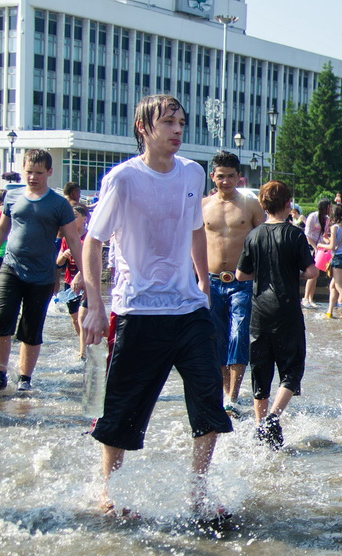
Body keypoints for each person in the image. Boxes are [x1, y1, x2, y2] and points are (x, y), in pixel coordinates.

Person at [81, 94, 233, 523]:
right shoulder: (124, 179)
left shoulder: (192, 172)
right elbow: (93, 242)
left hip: (188, 310)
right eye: (168, 122)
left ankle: (198, 492)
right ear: (144, 128)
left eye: (181, 122)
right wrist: (95, 303)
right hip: (138, 311)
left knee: (209, 399)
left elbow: (195, 228)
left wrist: (203, 281)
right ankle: (110, 491)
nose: (178, 130)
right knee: (124, 407)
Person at [0, 149, 85, 396]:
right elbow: (2, 230)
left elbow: (73, 239)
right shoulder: (12, 197)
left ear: (49, 172)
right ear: (23, 170)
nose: (33, 177)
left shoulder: (59, 204)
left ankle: (25, 378)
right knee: (2, 316)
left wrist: (85, 273)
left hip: (43, 274)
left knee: (31, 325)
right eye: (29, 172)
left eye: (39, 172)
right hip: (12, 266)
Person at [235, 180, 318, 449]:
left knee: (260, 370)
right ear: (288, 205)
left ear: (262, 205)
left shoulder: (253, 235)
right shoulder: (295, 235)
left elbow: (240, 275)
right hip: (287, 310)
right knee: (292, 368)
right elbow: (311, 272)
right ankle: (273, 417)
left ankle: (261, 430)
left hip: (259, 311)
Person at [201, 150, 265, 417]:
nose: (225, 181)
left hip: (242, 282)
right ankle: (224, 390)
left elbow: (264, 240)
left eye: (230, 176)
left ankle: (233, 396)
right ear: (213, 177)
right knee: (216, 337)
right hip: (212, 281)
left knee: (238, 335)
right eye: (220, 176)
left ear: (239, 177)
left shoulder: (250, 205)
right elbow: (191, 243)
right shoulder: (203, 205)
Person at [56, 202, 88, 359]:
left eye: (75, 217)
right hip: (69, 284)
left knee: (82, 318)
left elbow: (93, 262)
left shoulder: (90, 238)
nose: (71, 220)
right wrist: (64, 255)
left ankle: (83, 354)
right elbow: (59, 263)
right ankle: (86, 344)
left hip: (87, 283)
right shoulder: (66, 238)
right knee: (75, 321)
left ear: (84, 219)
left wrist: (80, 275)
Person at [319, 203, 342, 319]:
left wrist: (321, 244)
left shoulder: (335, 227)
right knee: (333, 285)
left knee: (339, 285)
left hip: (338, 258)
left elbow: (332, 246)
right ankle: (329, 311)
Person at [302, 198, 332, 308]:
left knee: (316, 274)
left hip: (320, 248)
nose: (331, 209)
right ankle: (306, 298)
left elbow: (324, 235)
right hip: (311, 246)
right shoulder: (313, 216)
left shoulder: (327, 219)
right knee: (313, 273)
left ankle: (310, 298)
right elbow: (307, 234)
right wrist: (315, 247)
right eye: (330, 207)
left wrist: (329, 243)